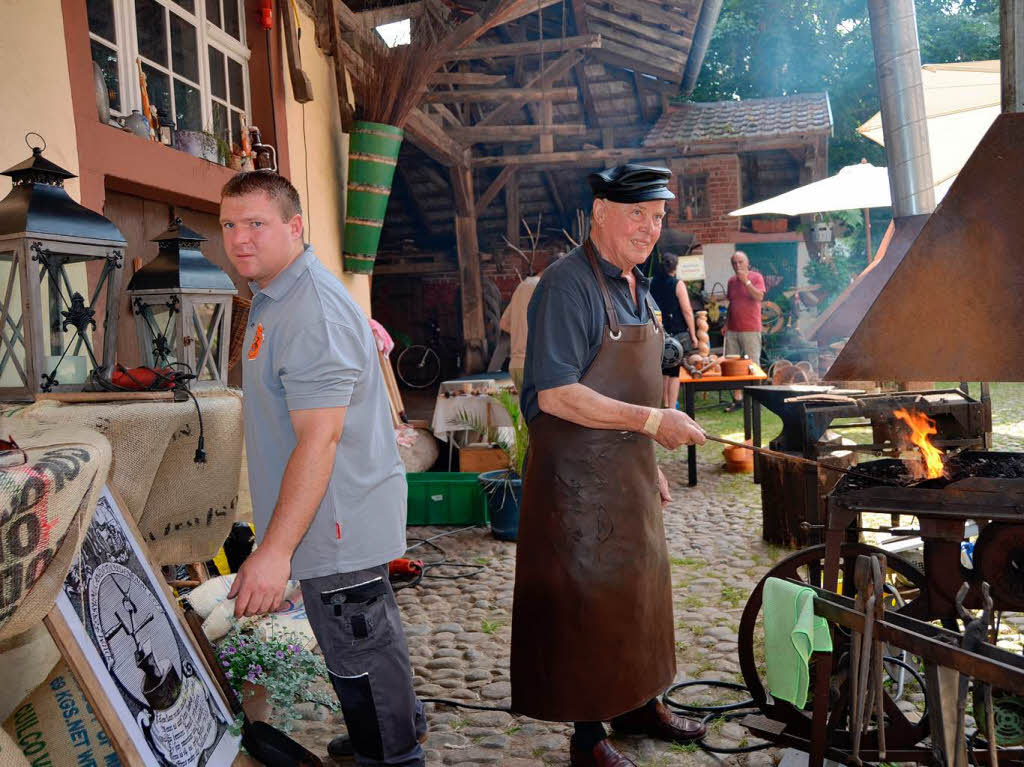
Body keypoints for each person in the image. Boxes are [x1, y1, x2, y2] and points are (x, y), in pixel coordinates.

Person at [220, 172, 426, 766]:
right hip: (331, 510)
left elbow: (320, 438)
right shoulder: (274, 294)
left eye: (256, 224)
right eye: (230, 224)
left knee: (357, 645)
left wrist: (273, 552)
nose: (239, 239)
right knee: (367, 637)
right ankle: (392, 726)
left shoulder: (309, 309)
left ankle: (392, 752)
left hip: (335, 515)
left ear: (294, 226)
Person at [512, 164, 708, 767]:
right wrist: (655, 424)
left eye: (656, 218)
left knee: (640, 594)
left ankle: (638, 702)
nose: (648, 229)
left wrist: (649, 463)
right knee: (587, 604)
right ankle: (588, 736)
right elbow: (554, 394)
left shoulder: (636, 286)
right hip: (576, 482)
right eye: (636, 214)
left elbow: (641, 382)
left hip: (628, 473)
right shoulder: (567, 285)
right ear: (600, 211)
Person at [649, 250, 697, 408]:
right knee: (675, 372)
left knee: (663, 370)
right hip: (676, 332)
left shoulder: (651, 283)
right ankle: (672, 407)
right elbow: (687, 311)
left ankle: (665, 404)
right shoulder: (677, 284)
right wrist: (693, 334)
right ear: (675, 267)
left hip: (658, 332)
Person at [723, 250, 765, 412]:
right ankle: (738, 400)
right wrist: (726, 324)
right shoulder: (731, 281)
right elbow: (731, 304)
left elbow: (759, 297)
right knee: (733, 365)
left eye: (740, 262)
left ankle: (757, 400)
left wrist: (746, 282)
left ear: (747, 263)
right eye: (734, 263)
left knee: (753, 364)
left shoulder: (756, 277)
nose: (737, 265)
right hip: (733, 329)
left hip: (751, 328)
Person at [499, 271, 541, 392]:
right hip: (536, 365)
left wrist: (522, 334)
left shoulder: (522, 286)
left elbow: (503, 323)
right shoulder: (545, 286)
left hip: (516, 364)